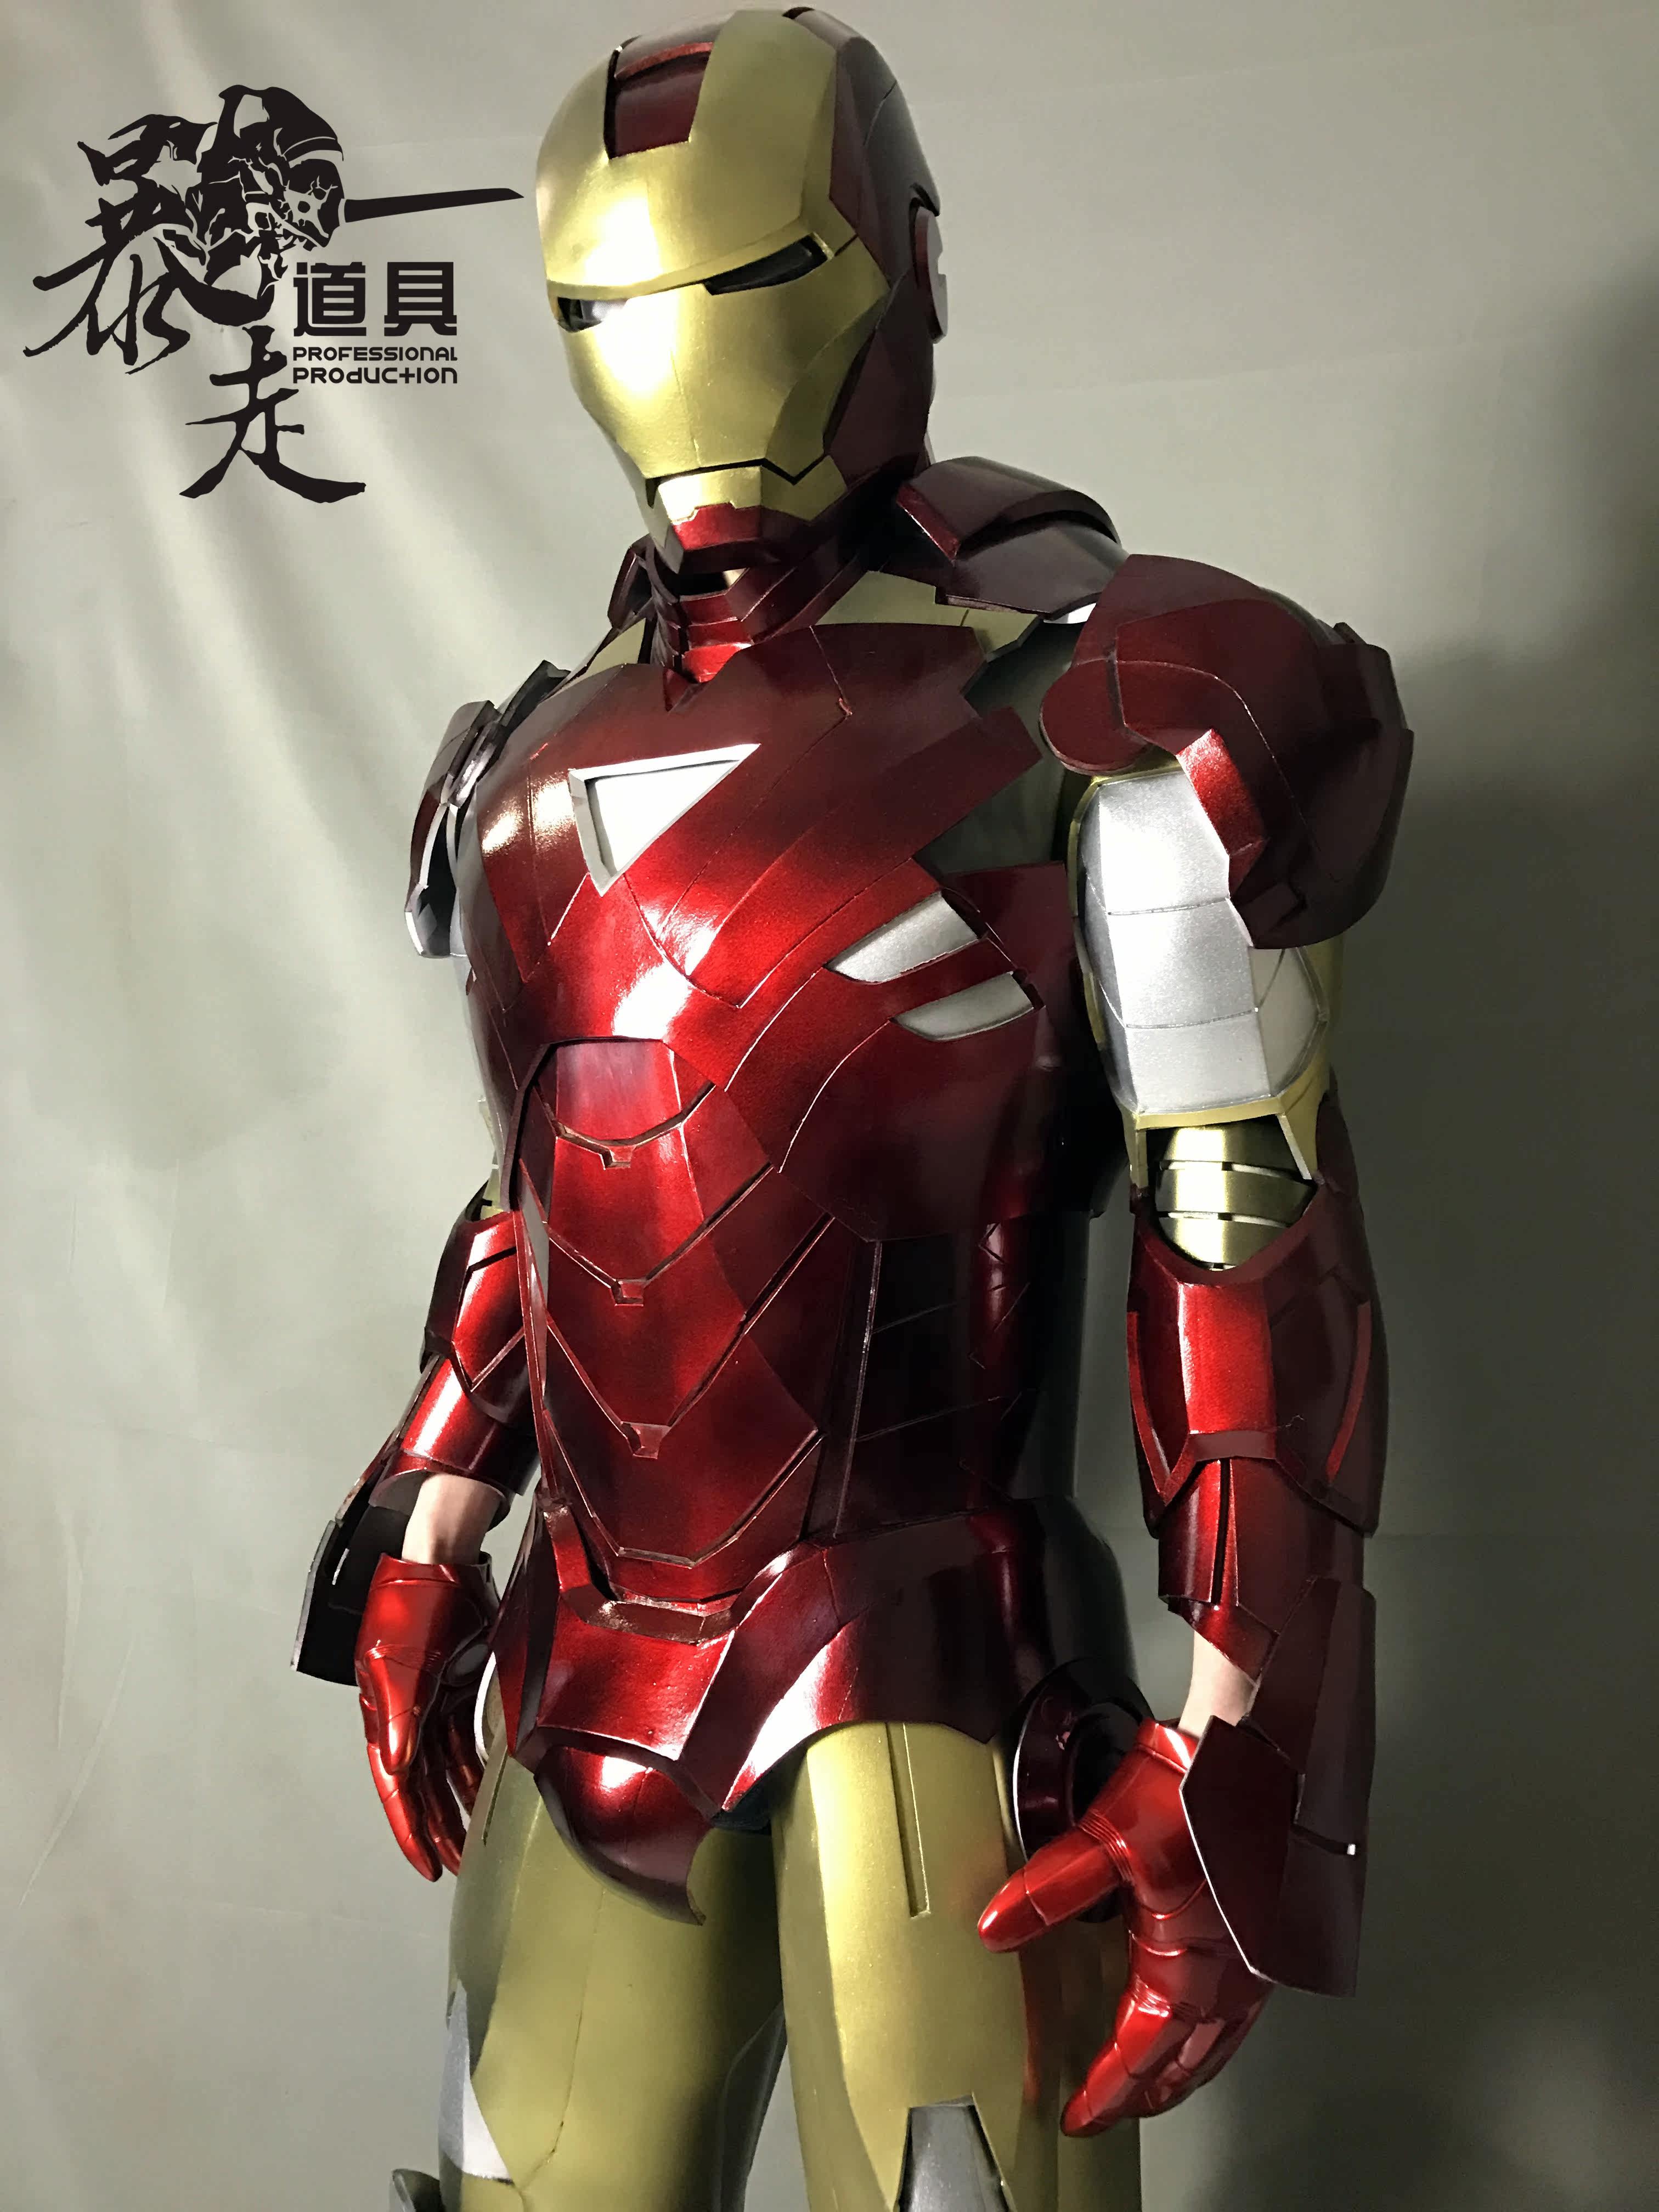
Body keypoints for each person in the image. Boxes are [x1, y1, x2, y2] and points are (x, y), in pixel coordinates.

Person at [294, 14, 1410, 2211]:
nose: (676, 351)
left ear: (888, 264)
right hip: (589, 1661)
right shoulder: (529, 766)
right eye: (614, 302)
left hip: (927, 1664)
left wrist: (1251, 1742)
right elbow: (552, 1198)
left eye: (731, 282)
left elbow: (1246, 1231)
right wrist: (427, 1522)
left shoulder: (1092, 698)